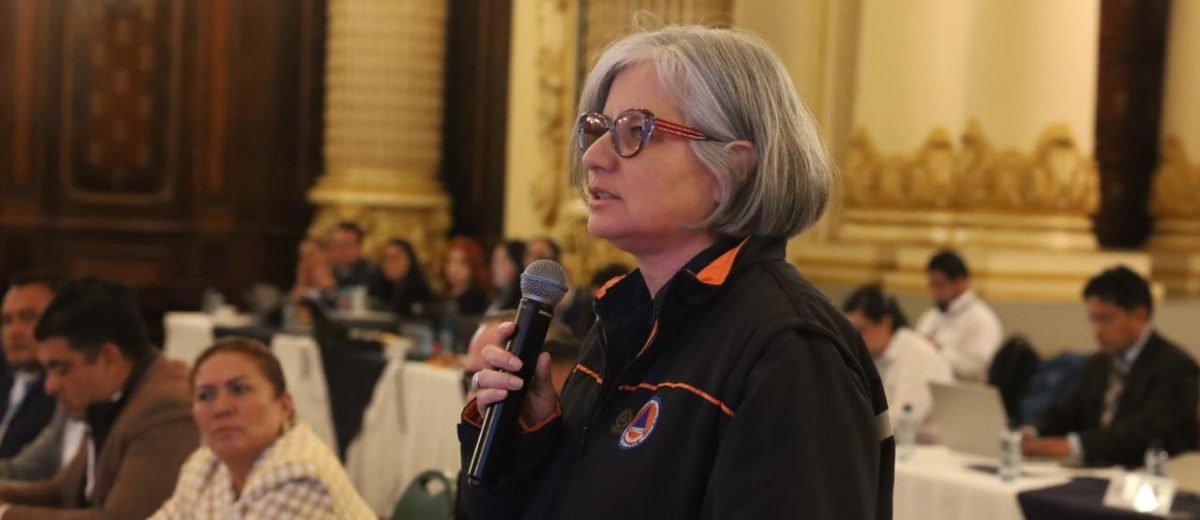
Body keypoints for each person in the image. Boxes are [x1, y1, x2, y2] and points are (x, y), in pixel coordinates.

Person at [461, 25, 891, 518]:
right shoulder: (626, 322)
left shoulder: (790, 351)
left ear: (731, 169)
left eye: (634, 132)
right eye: (598, 129)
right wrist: (526, 438)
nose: (593, 158)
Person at [0, 278, 198, 518]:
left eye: (62, 369)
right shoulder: (113, 394)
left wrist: (6, 513)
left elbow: (123, 519)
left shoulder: (165, 408)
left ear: (108, 358)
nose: (50, 386)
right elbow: (66, 491)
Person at [152, 338, 373, 519]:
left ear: (284, 406)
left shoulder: (298, 474)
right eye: (205, 395)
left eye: (239, 389)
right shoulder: (204, 465)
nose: (221, 408)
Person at [1024, 266, 1199, 467]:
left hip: (1150, 476)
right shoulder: (1099, 363)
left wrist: (1073, 446)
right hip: (1095, 472)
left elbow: (1145, 433)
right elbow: (1064, 412)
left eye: (1106, 319)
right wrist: (1031, 432)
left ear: (1139, 316)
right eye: (1093, 319)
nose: (1097, 331)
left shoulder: (1177, 367)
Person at [843, 285, 953, 440]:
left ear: (885, 323)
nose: (855, 339)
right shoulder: (877, 355)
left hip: (927, 447)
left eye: (861, 330)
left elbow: (904, 420)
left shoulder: (917, 354)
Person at [914, 249, 1003, 382]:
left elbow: (979, 370)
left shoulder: (981, 319)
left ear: (960, 282)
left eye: (939, 284)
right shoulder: (930, 316)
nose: (934, 291)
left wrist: (938, 350)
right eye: (931, 284)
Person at [0, 274, 61, 459]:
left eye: (28, 318)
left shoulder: (62, 393)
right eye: (6, 321)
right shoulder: (5, 381)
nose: (14, 331)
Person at [369, 238, 435, 317]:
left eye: (395, 258)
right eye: (386, 259)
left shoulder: (420, 293)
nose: (389, 263)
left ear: (410, 260)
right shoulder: (383, 288)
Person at [328, 222, 379, 309]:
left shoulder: (373, 273)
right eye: (337, 245)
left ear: (360, 246)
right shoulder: (328, 272)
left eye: (348, 245)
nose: (342, 250)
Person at [440, 236, 491, 316]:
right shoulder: (441, 297)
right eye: (450, 262)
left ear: (473, 266)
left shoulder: (479, 300)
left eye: (462, 263)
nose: (455, 268)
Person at [488, 240, 527, 313]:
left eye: (500, 261)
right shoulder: (497, 296)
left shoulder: (522, 303)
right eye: (494, 261)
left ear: (517, 264)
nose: (493, 267)